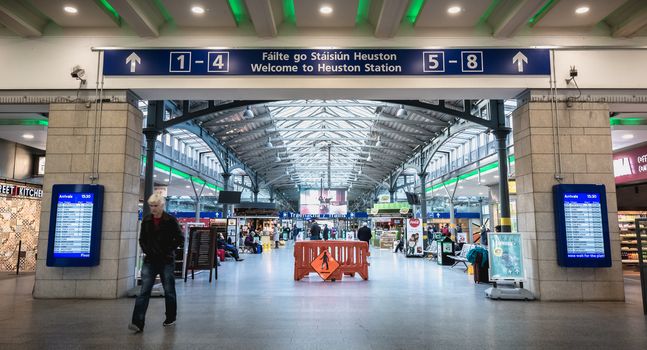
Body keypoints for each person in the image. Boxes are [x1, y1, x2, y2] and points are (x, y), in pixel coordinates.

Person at [129, 194, 183, 333]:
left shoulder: (170, 220)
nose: (153, 208)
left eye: (155, 205)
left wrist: (168, 250)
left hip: (166, 260)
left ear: (162, 205)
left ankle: (170, 317)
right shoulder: (146, 220)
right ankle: (137, 322)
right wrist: (148, 251)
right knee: (144, 291)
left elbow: (179, 238)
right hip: (150, 260)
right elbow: (142, 239)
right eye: (151, 206)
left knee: (169, 291)